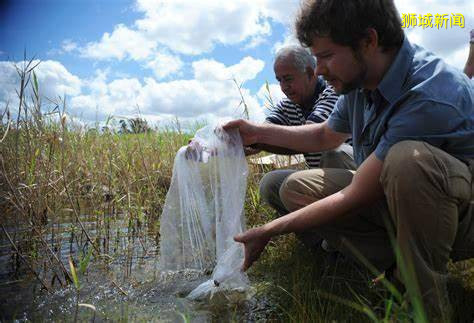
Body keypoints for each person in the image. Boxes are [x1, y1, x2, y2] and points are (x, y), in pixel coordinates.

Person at [224, 0, 474, 319]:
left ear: (368, 41)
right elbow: (324, 135)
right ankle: (396, 268)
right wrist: (254, 132)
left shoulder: (429, 90)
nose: (318, 69)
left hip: (462, 217)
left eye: (326, 56)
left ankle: (424, 304)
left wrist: (270, 229)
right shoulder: (360, 81)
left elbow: (355, 194)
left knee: (407, 161)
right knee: (293, 189)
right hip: (404, 200)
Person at [253, 45, 354, 233]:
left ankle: (356, 231)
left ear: (310, 72)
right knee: (270, 183)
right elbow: (263, 131)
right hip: (318, 179)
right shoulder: (288, 105)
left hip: (355, 174)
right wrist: (224, 143)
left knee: (334, 152)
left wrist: (256, 136)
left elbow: (314, 137)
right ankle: (322, 240)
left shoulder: (333, 91)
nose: (284, 87)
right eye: (279, 80)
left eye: (288, 79)